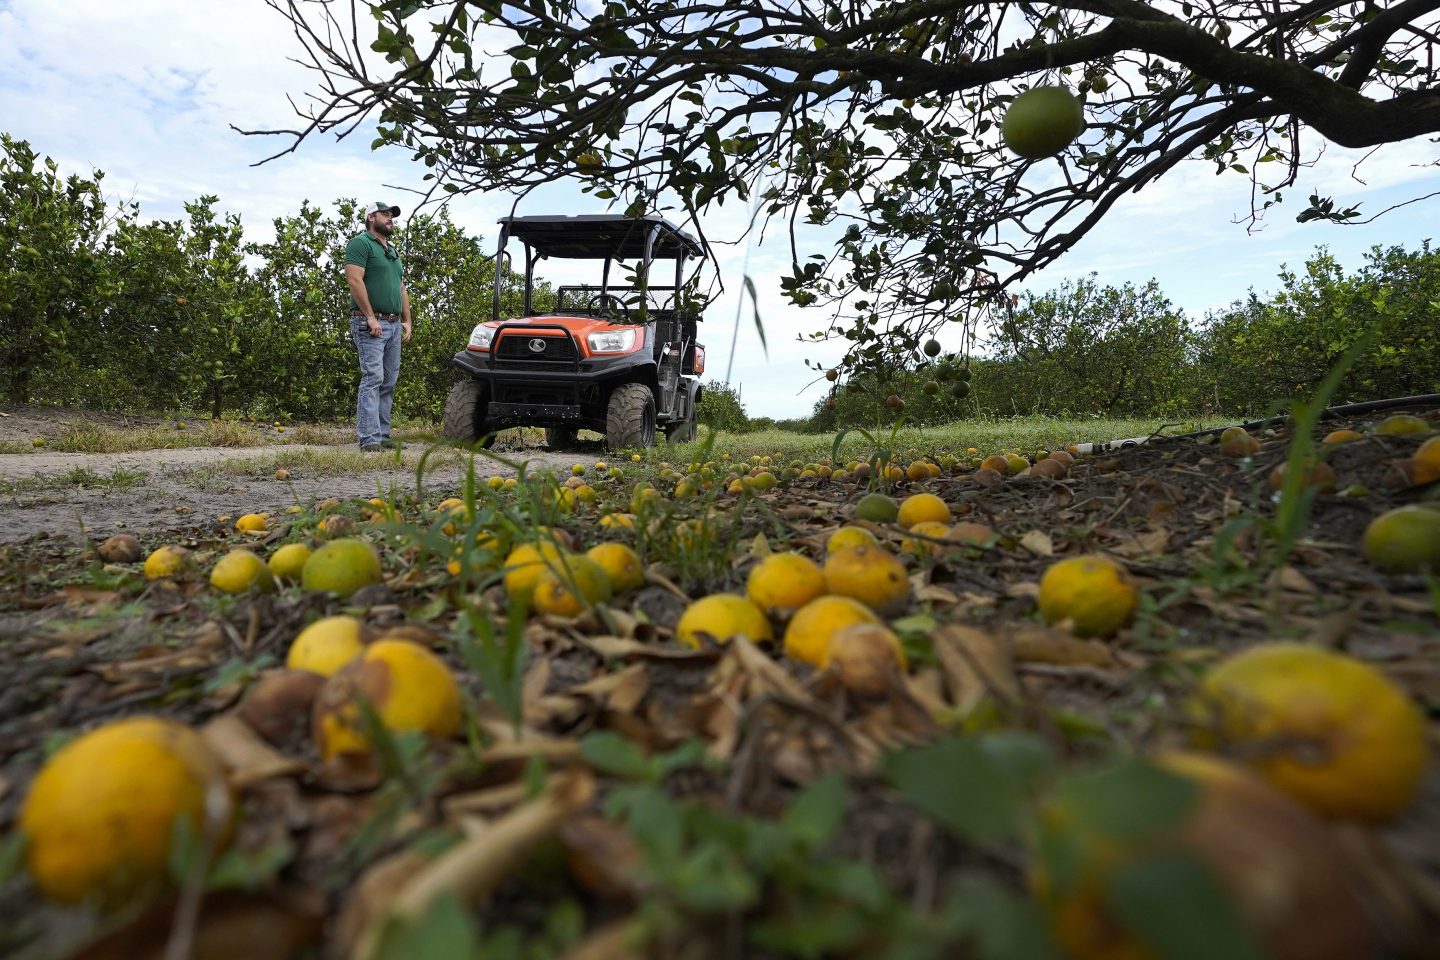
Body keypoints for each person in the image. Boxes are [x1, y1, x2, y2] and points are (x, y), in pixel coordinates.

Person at [344, 201, 412, 451]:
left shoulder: (392, 250)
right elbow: (354, 280)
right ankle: (369, 438)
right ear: (371, 217)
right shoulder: (360, 243)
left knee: (389, 381)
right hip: (370, 323)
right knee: (373, 378)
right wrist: (370, 317)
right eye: (385, 214)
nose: (390, 218)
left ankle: (383, 435)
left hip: (393, 325)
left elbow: (401, 287)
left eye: (392, 215)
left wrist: (407, 321)